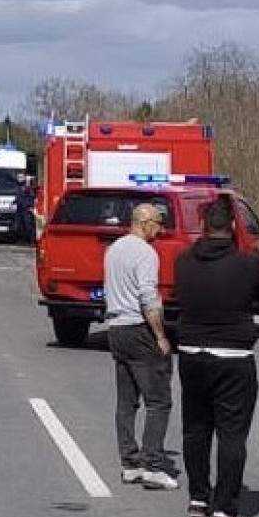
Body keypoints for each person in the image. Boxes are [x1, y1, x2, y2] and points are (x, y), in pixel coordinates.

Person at [174, 198, 259, 517]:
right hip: (233, 353)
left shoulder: (183, 261)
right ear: (232, 227)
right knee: (232, 433)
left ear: (203, 227)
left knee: (196, 428)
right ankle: (225, 507)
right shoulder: (246, 264)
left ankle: (199, 497)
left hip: (191, 351)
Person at [104, 203, 177, 490]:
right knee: (158, 400)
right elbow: (148, 296)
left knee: (126, 401)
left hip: (116, 327)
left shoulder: (114, 249)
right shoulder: (145, 253)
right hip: (138, 328)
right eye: (157, 223)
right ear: (144, 222)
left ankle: (130, 463)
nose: (160, 229)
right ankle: (152, 465)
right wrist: (160, 335)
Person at [13, 177, 36, 245]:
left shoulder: (29, 190)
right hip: (20, 209)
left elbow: (31, 199)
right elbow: (18, 198)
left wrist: (30, 206)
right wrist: (15, 202)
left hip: (26, 209)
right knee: (20, 225)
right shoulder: (19, 190)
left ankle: (31, 240)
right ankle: (22, 240)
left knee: (28, 225)